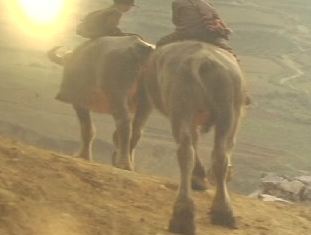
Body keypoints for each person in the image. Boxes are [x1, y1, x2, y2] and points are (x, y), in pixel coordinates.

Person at [157, 0, 235, 55]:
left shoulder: (177, 2)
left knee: (161, 43)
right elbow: (216, 17)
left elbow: (176, 21)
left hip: (184, 34)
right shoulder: (206, 3)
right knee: (229, 52)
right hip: (208, 34)